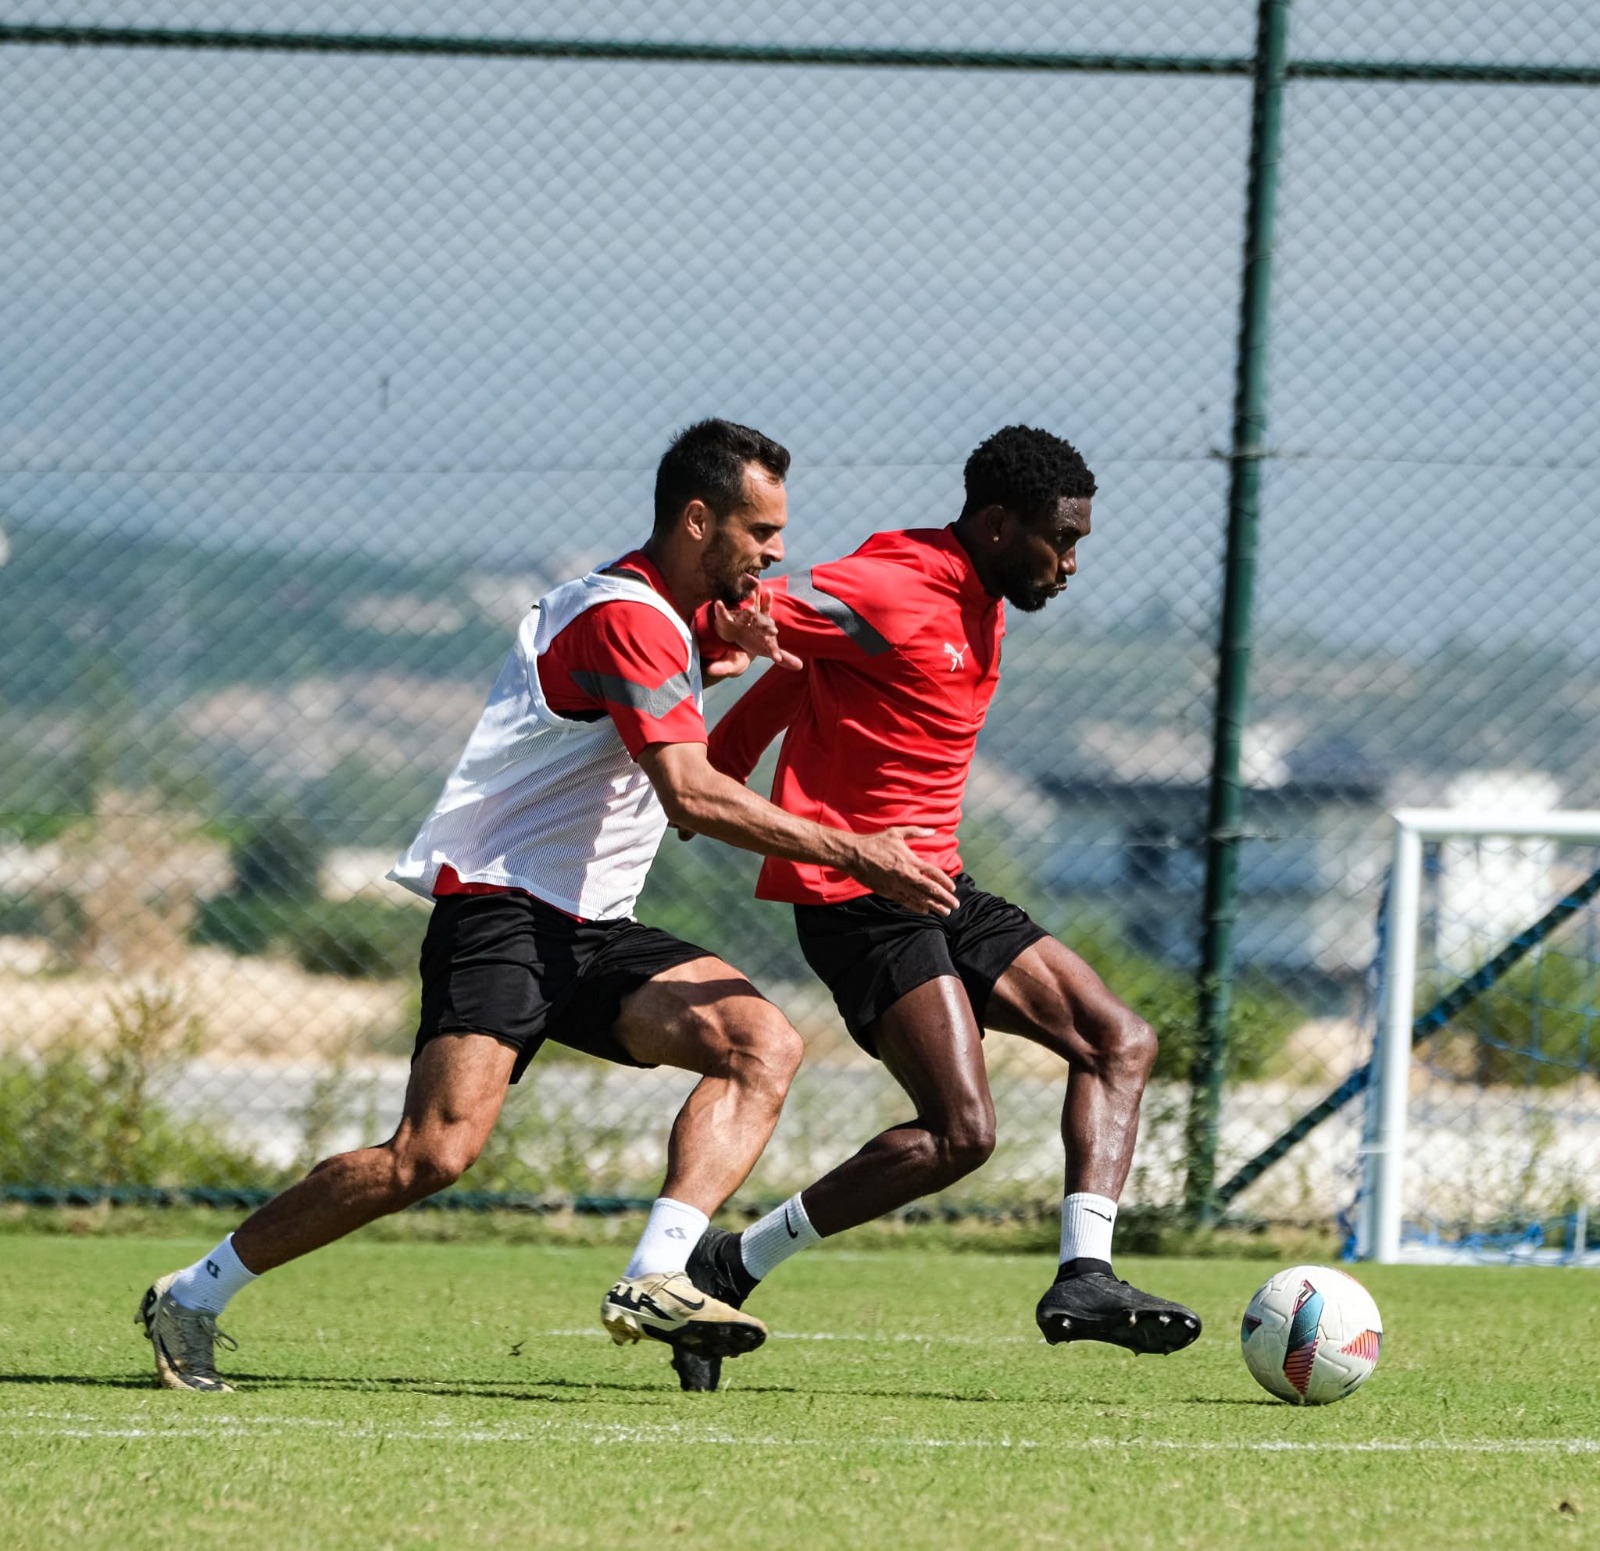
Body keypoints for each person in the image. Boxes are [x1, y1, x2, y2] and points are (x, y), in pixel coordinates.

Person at [137, 418, 957, 1393]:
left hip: (593, 928)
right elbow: (689, 796)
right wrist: (860, 851)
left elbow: (677, 677)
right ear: (698, 521)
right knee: (429, 1156)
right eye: (759, 530)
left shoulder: (669, 611)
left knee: (760, 1044)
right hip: (502, 913)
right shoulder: (626, 619)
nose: (777, 552)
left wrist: (726, 654)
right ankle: (191, 1292)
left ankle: (657, 1273)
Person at [672, 425, 1201, 1390]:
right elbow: (753, 614)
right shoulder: (898, 582)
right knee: (962, 1134)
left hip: (940, 885)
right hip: (858, 896)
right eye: (1061, 541)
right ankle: (728, 1264)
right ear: (997, 525)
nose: (1072, 564)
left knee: (1119, 1040)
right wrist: (729, 643)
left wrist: (734, 751)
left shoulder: (982, 594)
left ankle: (1084, 1274)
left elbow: (816, 672)